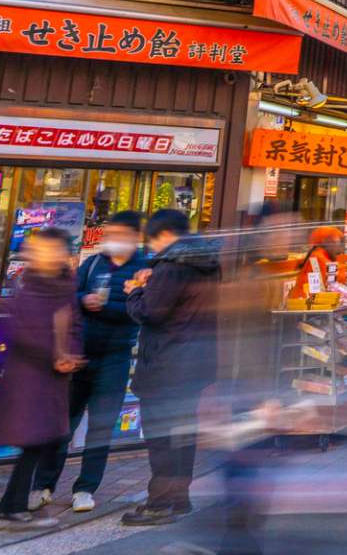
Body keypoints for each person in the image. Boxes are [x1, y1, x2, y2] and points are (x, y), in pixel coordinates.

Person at [34, 212, 152, 513]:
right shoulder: (94, 263)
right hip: (80, 353)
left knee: (100, 427)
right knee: (62, 423)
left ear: (134, 236)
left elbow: (142, 311)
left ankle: (85, 488)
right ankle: (43, 485)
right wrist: (84, 299)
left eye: (118, 233)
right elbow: (69, 295)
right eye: (109, 232)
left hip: (115, 356)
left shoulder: (145, 268)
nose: (111, 238)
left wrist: (111, 306)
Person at [122, 208, 219, 527]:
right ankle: (179, 499)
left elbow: (151, 312)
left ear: (164, 236)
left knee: (162, 437)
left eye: (152, 242)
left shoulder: (172, 265)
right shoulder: (207, 262)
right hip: (195, 363)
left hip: (167, 363)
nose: (151, 249)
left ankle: (160, 503)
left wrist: (134, 291)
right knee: (181, 434)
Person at [0, 226, 82, 525]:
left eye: (55, 250)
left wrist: (70, 353)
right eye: (44, 250)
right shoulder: (25, 285)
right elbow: (19, 331)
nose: (50, 255)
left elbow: (74, 326)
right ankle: (13, 505)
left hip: (53, 376)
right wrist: (56, 356)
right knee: (33, 441)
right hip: (28, 376)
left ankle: (14, 503)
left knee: (42, 440)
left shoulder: (65, 286)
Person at [292, 224, 347, 299]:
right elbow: (338, 276)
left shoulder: (322, 256)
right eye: (336, 242)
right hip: (304, 304)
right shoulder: (317, 257)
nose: (340, 249)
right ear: (326, 242)